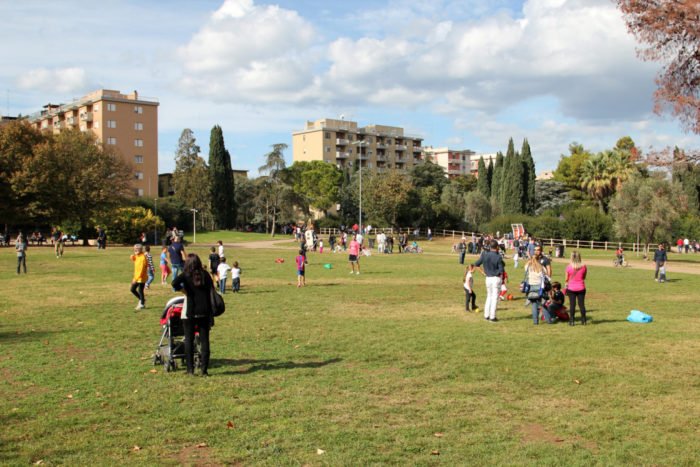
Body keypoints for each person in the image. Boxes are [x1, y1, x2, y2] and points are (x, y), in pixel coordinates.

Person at [172, 254, 214, 376]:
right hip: (205, 311)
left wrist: (183, 290)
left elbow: (174, 283)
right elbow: (211, 288)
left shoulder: (186, 275)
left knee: (189, 340)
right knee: (205, 341)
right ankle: (204, 370)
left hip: (190, 311)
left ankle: (190, 369)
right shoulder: (205, 275)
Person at [473, 239, 505, 322]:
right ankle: (492, 316)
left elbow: (476, 264)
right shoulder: (498, 256)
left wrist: (483, 272)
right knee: (495, 298)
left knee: (489, 296)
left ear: (490, 247)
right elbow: (501, 270)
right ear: (497, 247)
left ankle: (486, 315)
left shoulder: (484, 255)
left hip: (488, 278)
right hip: (495, 278)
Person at [524, 256, 551, 325]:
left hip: (531, 287)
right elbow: (546, 274)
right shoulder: (541, 267)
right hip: (540, 287)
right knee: (543, 304)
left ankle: (535, 322)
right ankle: (548, 320)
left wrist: (530, 261)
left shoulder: (529, 267)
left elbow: (525, 266)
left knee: (534, 305)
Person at [565, 251, 588, 325]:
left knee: (572, 305)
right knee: (581, 305)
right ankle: (584, 320)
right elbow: (584, 277)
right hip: (581, 287)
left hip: (571, 288)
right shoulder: (584, 266)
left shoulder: (568, 267)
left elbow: (566, 279)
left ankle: (572, 320)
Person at [130, 244, 148, 310]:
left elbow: (141, 270)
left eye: (137, 249)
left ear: (141, 249)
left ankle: (142, 304)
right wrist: (133, 257)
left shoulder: (142, 257)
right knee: (133, 290)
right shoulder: (138, 256)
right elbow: (135, 261)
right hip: (138, 276)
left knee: (139, 290)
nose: (135, 250)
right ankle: (142, 300)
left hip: (141, 277)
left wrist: (135, 278)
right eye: (134, 249)